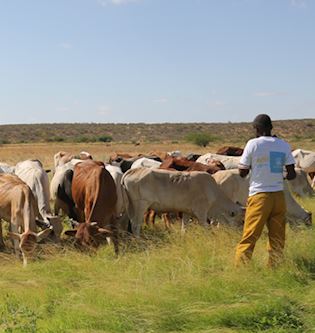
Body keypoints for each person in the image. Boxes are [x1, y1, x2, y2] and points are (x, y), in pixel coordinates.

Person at [235, 114, 296, 268]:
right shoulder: (283, 145)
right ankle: (274, 267)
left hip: (259, 196)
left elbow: (242, 172)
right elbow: (292, 174)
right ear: (270, 128)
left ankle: (241, 269)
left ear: (257, 128)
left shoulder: (253, 144)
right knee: (277, 237)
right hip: (279, 197)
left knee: (250, 235)